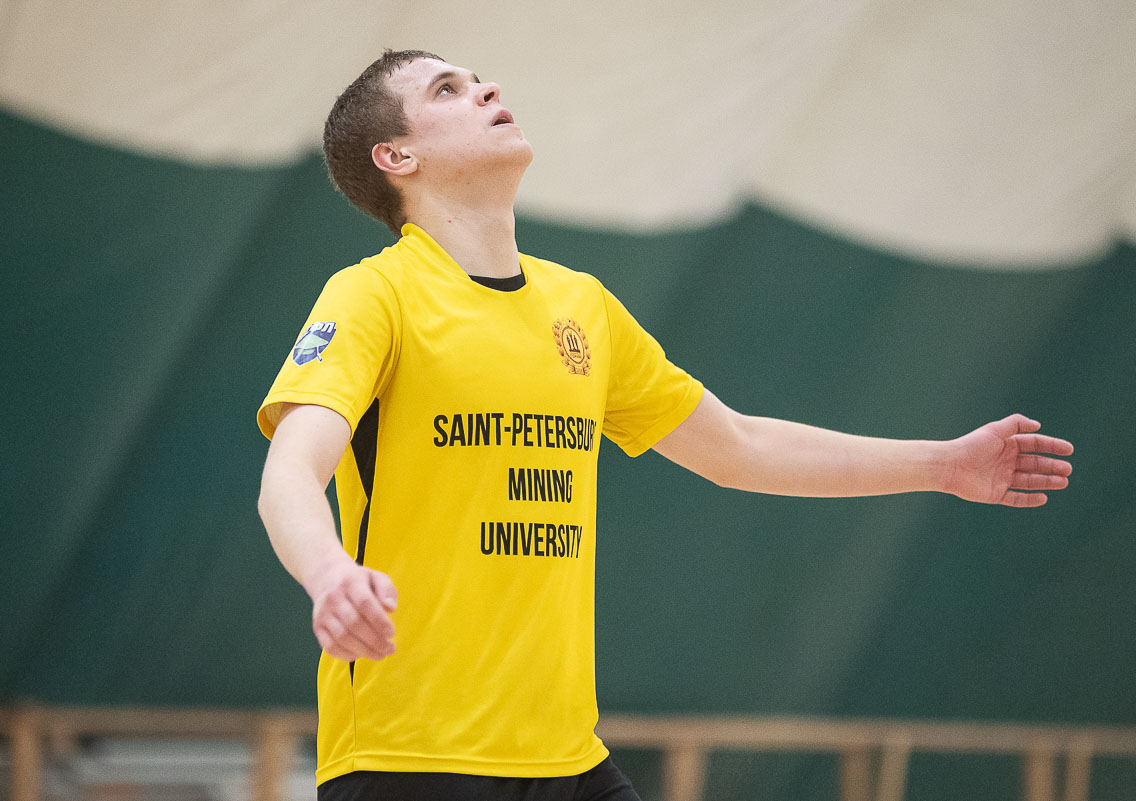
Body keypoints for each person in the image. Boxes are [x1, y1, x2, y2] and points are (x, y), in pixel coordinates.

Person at [256, 49, 1074, 801]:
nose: (487, 89)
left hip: (567, 760)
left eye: (477, 79)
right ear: (397, 157)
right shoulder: (375, 295)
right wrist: (330, 574)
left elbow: (740, 446)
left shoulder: (581, 306)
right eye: (447, 90)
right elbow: (291, 473)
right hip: (408, 758)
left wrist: (942, 464)